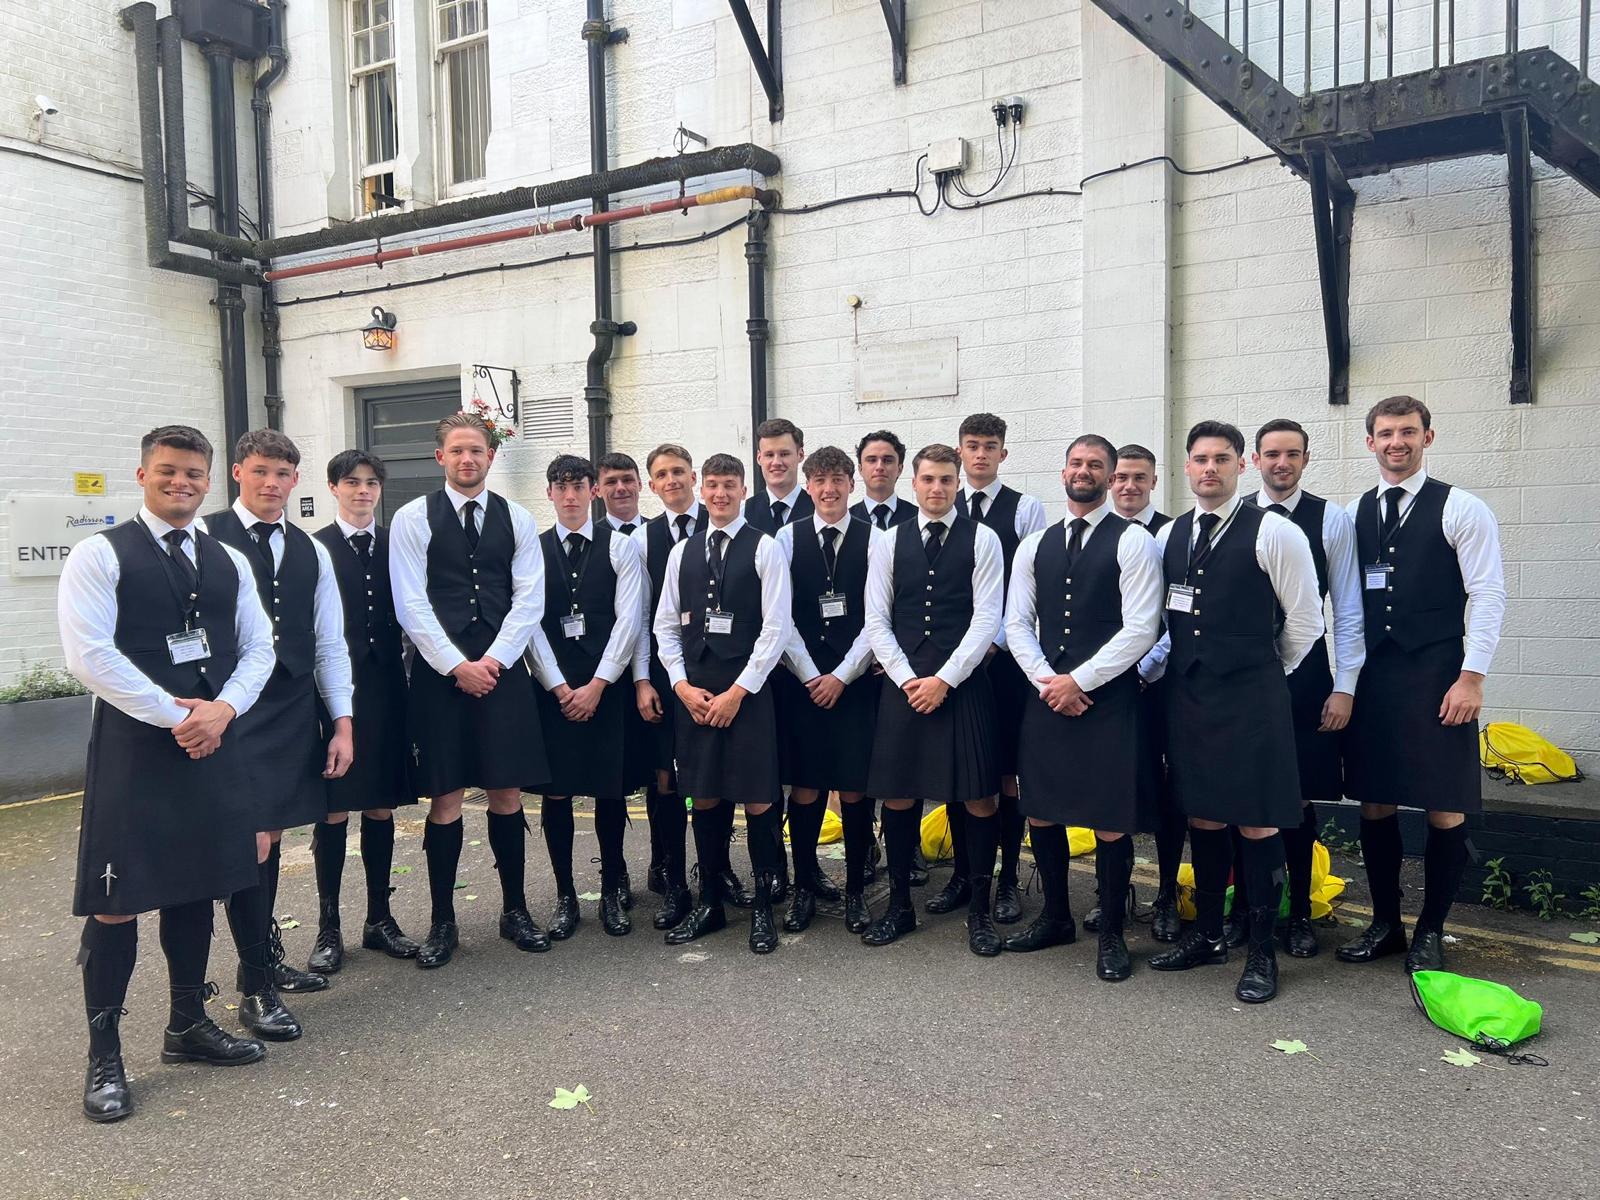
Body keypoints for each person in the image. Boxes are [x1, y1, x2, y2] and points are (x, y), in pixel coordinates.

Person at [61, 425, 275, 1123]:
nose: (181, 482)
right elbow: (89, 655)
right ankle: (105, 1056)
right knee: (116, 898)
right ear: (142, 474)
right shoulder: (100, 554)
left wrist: (223, 710)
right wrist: (175, 716)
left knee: (197, 885)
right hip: (137, 745)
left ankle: (188, 1025)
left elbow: (260, 647)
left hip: (213, 736)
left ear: (208, 481)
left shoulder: (228, 560)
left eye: (192, 473)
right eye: (167, 471)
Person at [1143, 421, 1323, 1004]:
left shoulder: (1274, 531)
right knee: (1203, 817)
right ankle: (1208, 936)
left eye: (1222, 458)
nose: (1210, 469)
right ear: (1186, 467)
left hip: (1252, 699)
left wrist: (1264, 671)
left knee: (1257, 822)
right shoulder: (1170, 534)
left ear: (1241, 466)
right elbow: (1163, 619)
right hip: (1190, 697)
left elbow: (1305, 623)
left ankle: (1263, 954)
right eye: (1200, 459)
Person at [1339, 396, 1506, 972]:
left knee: (1443, 805)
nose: (1397, 442)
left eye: (1408, 432)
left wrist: (1471, 677)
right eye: (1386, 433)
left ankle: (1431, 930)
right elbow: (1346, 604)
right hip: (1375, 679)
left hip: (1440, 677)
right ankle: (1386, 923)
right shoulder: (1356, 512)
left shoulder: (1462, 507)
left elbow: (1488, 594)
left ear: (1427, 438)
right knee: (1375, 802)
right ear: (1370, 442)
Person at [203, 430, 354, 1042]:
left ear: (295, 480)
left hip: (291, 705)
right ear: (238, 472)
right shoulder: (206, 536)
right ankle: (255, 987)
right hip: (231, 708)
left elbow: (329, 640)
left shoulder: (311, 550)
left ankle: (261, 959)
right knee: (255, 839)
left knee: (274, 833)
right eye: (261, 471)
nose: (272, 483)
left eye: (283, 473)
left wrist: (341, 720)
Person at [389, 412, 551, 969]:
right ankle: (443, 921)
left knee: (507, 792)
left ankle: (515, 910)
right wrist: (457, 665)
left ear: (491, 456)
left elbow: (529, 599)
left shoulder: (518, 518)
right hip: (441, 678)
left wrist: (493, 662)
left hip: (502, 675)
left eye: (476, 450)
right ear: (441, 457)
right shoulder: (413, 517)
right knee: (447, 796)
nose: (467, 459)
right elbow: (410, 602)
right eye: (457, 450)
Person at [1003, 435, 1162, 981]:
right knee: (1042, 808)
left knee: (1109, 819)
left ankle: (1112, 932)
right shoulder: (1035, 544)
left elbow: (1142, 628)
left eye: (1096, 465)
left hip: (1108, 697)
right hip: (1047, 693)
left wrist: (1079, 680)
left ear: (1112, 477)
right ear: (1063, 471)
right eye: (1076, 463)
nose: (1084, 471)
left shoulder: (1134, 541)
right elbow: (1017, 623)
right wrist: (1049, 682)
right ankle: (1055, 918)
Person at [862, 444, 1005, 954]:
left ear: (958, 483)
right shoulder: (888, 541)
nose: (937, 488)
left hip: (962, 685)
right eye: (928, 479)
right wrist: (907, 680)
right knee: (899, 795)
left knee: (978, 797)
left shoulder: (983, 538)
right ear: (914, 483)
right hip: (904, 688)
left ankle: (980, 912)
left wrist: (944, 679)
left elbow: (987, 619)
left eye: (946, 479)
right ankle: (900, 906)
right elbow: (876, 620)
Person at [653, 453, 794, 953]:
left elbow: (776, 629)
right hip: (696, 697)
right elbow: (665, 626)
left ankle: (762, 909)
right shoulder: (681, 552)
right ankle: (710, 903)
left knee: (758, 800)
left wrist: (739, 691)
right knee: (706, 797)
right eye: (712, 485)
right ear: (701, 488)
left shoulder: (766, 548)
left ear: (743, 489)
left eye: (729, 485)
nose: (719, 494)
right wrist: (680, 686)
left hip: (747, 695)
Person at [1243, 419, 1364, 958]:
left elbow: (1348, 610)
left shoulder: (1330, 519)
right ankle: (1249, 911)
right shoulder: (1236, 516)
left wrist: (1345, 686)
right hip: (1244, 680)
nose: (1281, 463)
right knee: (1243, 797)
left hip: (1306, 677)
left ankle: (1299, 914)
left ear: (1306, 459)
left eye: (1292, 454)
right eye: (1271, 453)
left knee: (1296, 799)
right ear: (1255, 460)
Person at [307, 450, 420, 973]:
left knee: (380, 806)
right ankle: (328, 926)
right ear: (334, 488)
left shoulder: (397, 543)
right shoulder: (315, 548)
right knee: (334, 809)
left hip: (389, 690)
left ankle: (379, 918)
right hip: (335, 693)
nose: (362, 491)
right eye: (352, 482)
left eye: (372, 483)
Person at [530, 455, 647, 939]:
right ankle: (565, 895)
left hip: (606, 688)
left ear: (592, 491)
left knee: (608, 790)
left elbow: (630, 620)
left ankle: (612, 888)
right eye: (561, 487)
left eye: (578, 485)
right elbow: (528, 622)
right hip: (554, 689)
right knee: (556, 793)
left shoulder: (621, 547)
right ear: (549, 494)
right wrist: (559, 686)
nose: (570, 495)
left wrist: (598, 684)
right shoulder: (532, 550)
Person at [631, 444, 745, 928]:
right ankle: (674, 880)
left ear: (694, 478)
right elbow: (642, 617)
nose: (672, 480)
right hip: (669, 674)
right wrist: (642, 678)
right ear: (653, 484)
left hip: (721, 675)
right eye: (662, 474)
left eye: (679, 471)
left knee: (720, 779)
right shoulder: (643, 539)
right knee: (668, 780)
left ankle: (718, 871)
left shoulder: (719, 520)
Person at [945, 413, 1046, 926]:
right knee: (958, 771)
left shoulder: (1025, 509)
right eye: (972, 445)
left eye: (990, 446)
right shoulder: (943, 506)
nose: (980, 454)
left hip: (1002, 663)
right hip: (950, 663)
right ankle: (964, 874)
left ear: (1003, 453)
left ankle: (1006, 879)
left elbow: (1030, 587)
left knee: (1004, 774)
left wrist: (994, 643)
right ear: (959, 452)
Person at [773, 447, 878, 933]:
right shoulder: (785, 539)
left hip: (854, 684)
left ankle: (856, 890)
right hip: (804, 684)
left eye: (837, 479)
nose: (829, 489)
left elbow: (877, 617)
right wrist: (811, 673)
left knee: (855, 788)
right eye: (819, 480)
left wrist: (843, 675)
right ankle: (804, 887)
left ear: (851, 484)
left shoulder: (876, 540)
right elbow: (780, 616)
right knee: (807, 786)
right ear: (808, 486)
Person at [1096, 443, 1183, 942]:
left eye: (1140, 477)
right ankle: (1115, 893)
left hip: (1157, 682)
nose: (1129, 485)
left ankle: (1167, 893)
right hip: (1107, 686)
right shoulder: (1096, 535)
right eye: (1122, 477)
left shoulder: (1169, 534)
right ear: (1111, 482)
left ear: (1154, 481)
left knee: (1167, 790)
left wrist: (1147, 666)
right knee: (1115, 789)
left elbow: (1176, 616)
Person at [744, 417, 814, 534]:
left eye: (784, 454)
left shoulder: (819, 509)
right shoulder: (742, 514)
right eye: (769, 455)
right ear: (759, 458)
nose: (776, 462)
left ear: (800, 455)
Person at [851, 430, 917, 530]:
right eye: (872, 460)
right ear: (860, 469)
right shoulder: (846, 521)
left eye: (887, 460)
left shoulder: (918, 518)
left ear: (899, 469)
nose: (879, 467)